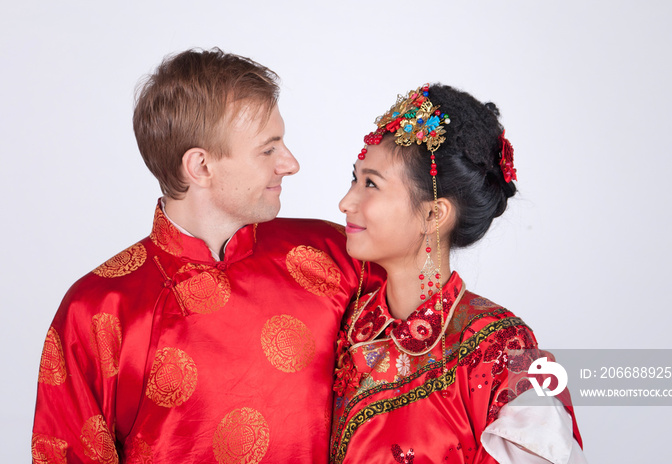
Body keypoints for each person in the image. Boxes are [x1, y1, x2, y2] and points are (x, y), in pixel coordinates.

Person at [31, 48, 380, 463]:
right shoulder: (97, 310)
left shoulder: (335, 255)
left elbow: (427, 364)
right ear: (200, 166)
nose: (290, 163)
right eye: (268, 149)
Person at [331, 84, 585, 463]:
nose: (346, 202)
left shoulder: (501, 347)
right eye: (354, 178)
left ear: (434, 214)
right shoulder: (346, 321)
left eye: (371, 183)